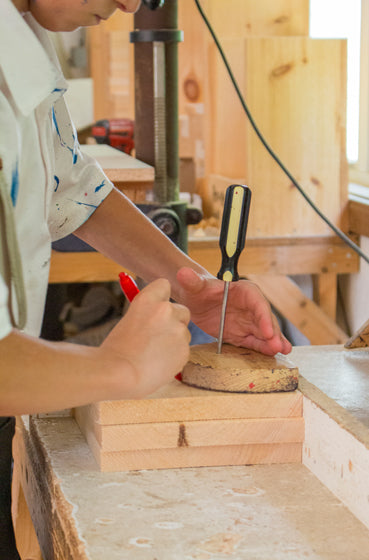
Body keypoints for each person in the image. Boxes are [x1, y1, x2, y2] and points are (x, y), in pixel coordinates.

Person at [0, 0, 292, 557]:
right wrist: (120, 366)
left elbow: (72, 189)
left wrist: (195, 288)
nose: (132, 4)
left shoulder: (29, 39)